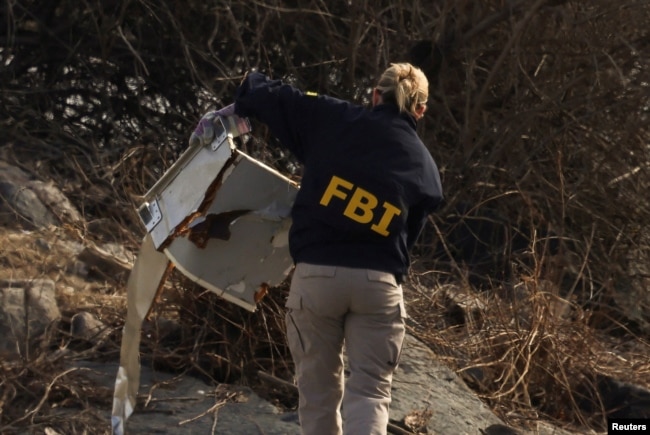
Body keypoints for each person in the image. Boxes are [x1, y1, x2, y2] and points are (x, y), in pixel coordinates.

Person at [212, 63, 443, 435]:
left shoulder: (333, 118)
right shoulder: (425, 166)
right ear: (421, 111)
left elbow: (274, 96)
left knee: (318, 395)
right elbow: (411, 234)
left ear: (374, 95)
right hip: (378, 284)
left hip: (317, 277)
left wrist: (245, 94)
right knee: (369, 394)